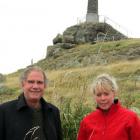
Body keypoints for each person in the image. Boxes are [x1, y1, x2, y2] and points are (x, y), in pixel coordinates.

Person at [0, 66, 62, 140]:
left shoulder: (53, 111)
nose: (35, 86)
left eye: (39, 82)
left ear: (44, 86)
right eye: (31, 82)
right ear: (23, 84)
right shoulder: (4, 111)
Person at [77, 73, 140, 140]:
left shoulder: (130, 118)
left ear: (114, 93)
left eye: (106, 94)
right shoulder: (86, 122)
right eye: (99, 95)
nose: (103, 98)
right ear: (94, 96)